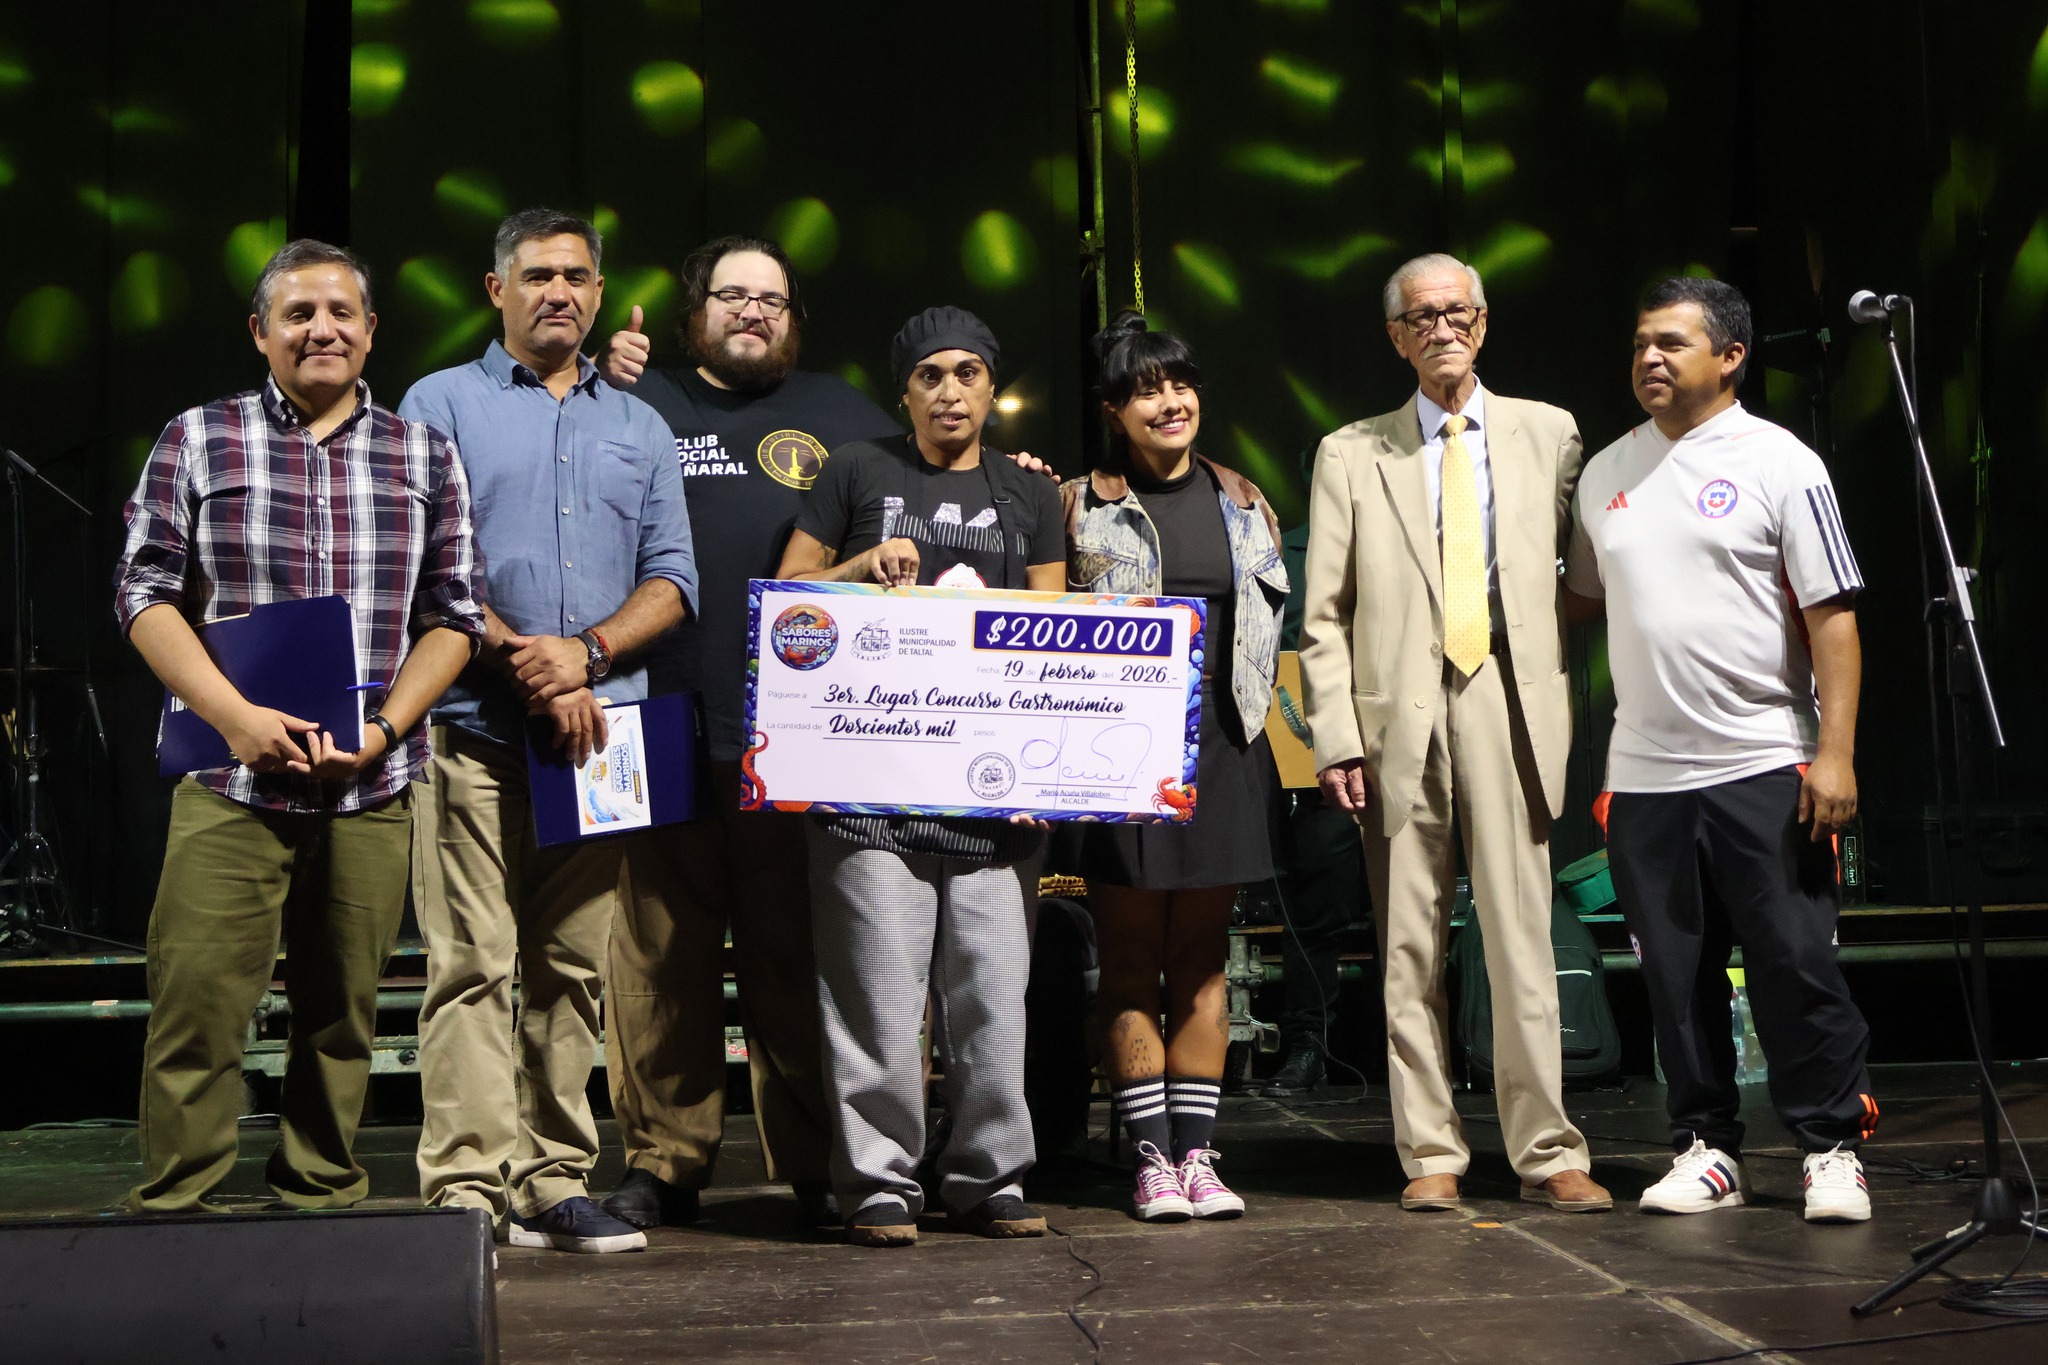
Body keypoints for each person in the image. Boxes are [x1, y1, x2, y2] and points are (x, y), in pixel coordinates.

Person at [114, 240, 484, 1212]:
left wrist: (386, 730)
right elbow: (143, 592)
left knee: (343, 1016)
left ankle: (320, 1200)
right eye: (298, 313)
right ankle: (175, 1211)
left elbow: (455, 615)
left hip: (369, 784)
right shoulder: (199, 438)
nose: (322, 329)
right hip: (231, 780)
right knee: (197, 1004)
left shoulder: (423, 452)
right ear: (260, 332)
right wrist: (233, 718)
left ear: (370, 330)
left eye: (340, 312)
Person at [400, 209, 697, 1254]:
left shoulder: (642, 426)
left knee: (573, 969)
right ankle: (466, 1187)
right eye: (536, 275)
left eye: (575, 275)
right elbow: (427, 567)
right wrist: (534, 663)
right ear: (497, 290)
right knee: (471, 962)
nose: (558, 291)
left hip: (599, 740)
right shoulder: (439, 403)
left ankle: (552, 1178)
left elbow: (673, 578)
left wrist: (589, 655)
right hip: (468, 726)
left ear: (599, 293)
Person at [588, 236, 899, 1230]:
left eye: (771, 298)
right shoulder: (632, 402)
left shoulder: (846, 415)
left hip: (797, 734)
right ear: (694, 315)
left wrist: (1022, 475)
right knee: (654, 958)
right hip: (649, 716)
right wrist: (595, 376)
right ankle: (663, 1161)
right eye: (731, 295)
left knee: (796, 953)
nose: (752, 311)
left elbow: (938, 496)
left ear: (793, 318)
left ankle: (815, 1159)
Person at [1298, 253, 1611, 1214]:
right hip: (1399, 708)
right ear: (1397, 337)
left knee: (1521, 936)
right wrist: (1335, 736)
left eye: (1457, 311)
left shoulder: (1549, 433)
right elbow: (1324, 613)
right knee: (1409, 945)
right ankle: (1429, 1149)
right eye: (1422, 316)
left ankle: (1548, 1149)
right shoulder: (1352, 452)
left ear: (1483, 322)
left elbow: (1583, 570)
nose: (1443, 327)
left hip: (1506, 695)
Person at [1565, 277, 1877, 1223]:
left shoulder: (1781, 461)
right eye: (1639, 344)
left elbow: (1834, 617)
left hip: (1765, 757)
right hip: (1645, 773)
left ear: (1731, 355)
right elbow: (1582, 598)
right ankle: (1705, 1147)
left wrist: (1835, 754)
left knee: (1795, 962)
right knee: (1674, 974)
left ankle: (1830, 1147)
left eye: (1671, 342)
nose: (1649, 358)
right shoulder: (1605, 471)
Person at [776, 306, 1065, 1247]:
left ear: (992, 387)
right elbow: (787, 599)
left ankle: (990, 1175)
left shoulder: (1029, 494)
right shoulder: (856, 468)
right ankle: (878, 1182)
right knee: (876, 995)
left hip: (993, 793)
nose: (950, 391)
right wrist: (862, 564)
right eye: (930, 375)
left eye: (967, 373)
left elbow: (1055, 633)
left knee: (992, 995)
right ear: (903, 391)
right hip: (868, 786)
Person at [1063, 312, 1287, 1221]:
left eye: (1180, 384)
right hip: (1120, 753)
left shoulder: (1244, 500)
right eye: (1146, 390)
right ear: (1114, 410)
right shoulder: (1079, 505)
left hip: (1225, 749)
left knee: (1200, 963)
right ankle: (1152, 1160)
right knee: (1127, 959)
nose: (1170, 402)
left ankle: (1199, 1155)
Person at [1261, 518, 1371, 1099]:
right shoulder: (1284, 549)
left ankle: (1315, 1043)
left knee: (1336, 902)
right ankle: (1306, 1042)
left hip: (1370, 738)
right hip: (1289, 742)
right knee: (1307, 904)